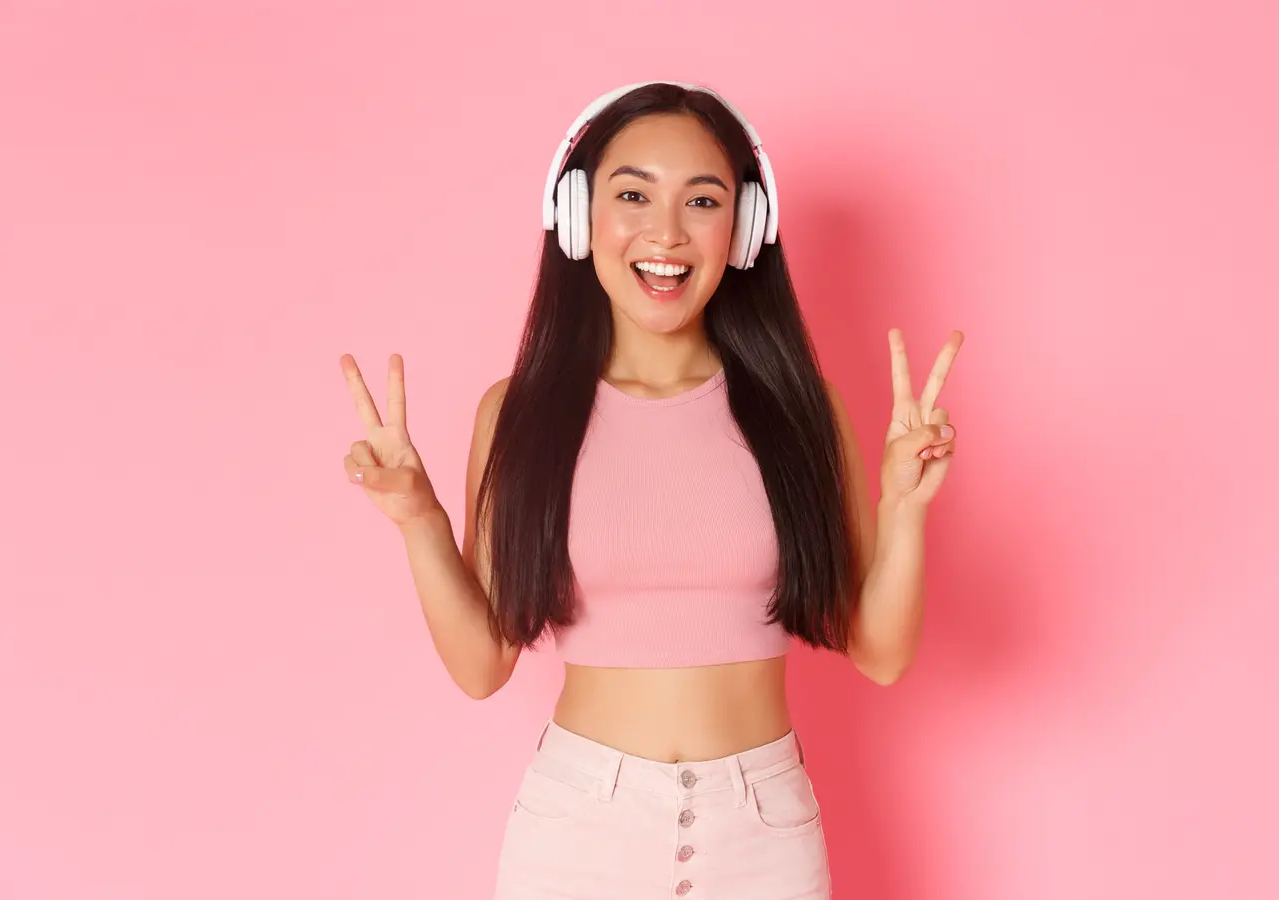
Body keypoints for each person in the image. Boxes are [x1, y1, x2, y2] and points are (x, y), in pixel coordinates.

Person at [338, 81, 962, 900]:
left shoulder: (801, 409)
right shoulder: (519, 413)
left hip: (763, 836)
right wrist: (419, 520)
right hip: (577, 832)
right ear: (575, 215)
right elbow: (483, 665)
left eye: (702, 201)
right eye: (632, 193)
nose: (666, 232)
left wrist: (904, 510)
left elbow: (880, 654)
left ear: (742, 231)